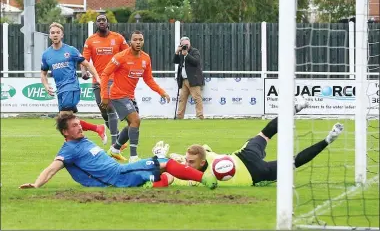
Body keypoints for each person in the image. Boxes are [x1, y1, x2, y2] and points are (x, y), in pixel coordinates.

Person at [152, 97, 344, 186]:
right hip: (255, 171)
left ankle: (295, 108)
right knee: (293, 162)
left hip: (245, 158)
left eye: (191, 161)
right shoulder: (196, 168)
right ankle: (328, 139)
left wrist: (165, 158)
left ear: (202, 162)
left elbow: (168, 176)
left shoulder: (197, 172)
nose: (187, 163)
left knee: (265, 134)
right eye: (187, 161)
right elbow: (169, 175)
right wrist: (166, 158)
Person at [18, 113, 217, 190]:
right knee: (162, 161)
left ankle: (149, 185)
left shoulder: (83, 141)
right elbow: (52, 168)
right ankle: (203, 179)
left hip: (121, 171)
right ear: (65, 132)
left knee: (167, 174)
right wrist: (36, 185)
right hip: (117, 176)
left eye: (80, 124)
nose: (80, 128)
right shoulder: (69, 149)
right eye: (75, 126)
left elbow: (96, 160)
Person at [100, 30, 170, 163]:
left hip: (130, 96)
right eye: (135, 39)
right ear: (130, 42)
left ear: (143, 41)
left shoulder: (145, 58)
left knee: (133, 124)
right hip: (117, 95)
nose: (138, 42)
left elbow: (148, 79)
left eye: (140, 40)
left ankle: (115, 149)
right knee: (136, 120)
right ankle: (133, 157)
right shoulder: (120, 57)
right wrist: (104, 95)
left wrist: (161, 92)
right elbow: (105, 74)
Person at [41, 22, 107, 144]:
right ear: (49, 36)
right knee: (66, 120)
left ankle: (77, 143)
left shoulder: (70, 50)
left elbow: (86, 64)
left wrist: (97, 77)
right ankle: (96, 129)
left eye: (57, 32)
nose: (55, 35)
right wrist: (45, 85)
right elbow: (43, 73)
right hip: (60, 89)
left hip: (71, 87)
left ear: (62, 35)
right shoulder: (46, 55)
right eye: (52, 33)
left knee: (64, 117)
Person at [82, 14, 129, 146]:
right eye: (99, 20)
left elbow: (128, 54)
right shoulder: (90, 40)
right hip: (97, 80)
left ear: (108, 23)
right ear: (97, 24)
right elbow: (84, 60)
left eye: (103, 20)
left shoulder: (118, 38)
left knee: (109, 107)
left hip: (113, 79)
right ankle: (118, 136)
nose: (101, 22)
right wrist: (84, 72)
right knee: (103, 111)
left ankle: (115, 144)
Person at [173, 36, 204, 119]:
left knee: (197, 98)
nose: (185, 46)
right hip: (183, 80)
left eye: (187, 44)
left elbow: (196, 62)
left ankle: (200, 116)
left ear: (190, 43)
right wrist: (177, 52)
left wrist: (186, 54)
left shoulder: (194, 51)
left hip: (193, 79)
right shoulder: (181, 52)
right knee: (182, 99)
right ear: (181, 45)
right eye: (183, 45)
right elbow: (175, 61)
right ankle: (179, 116)